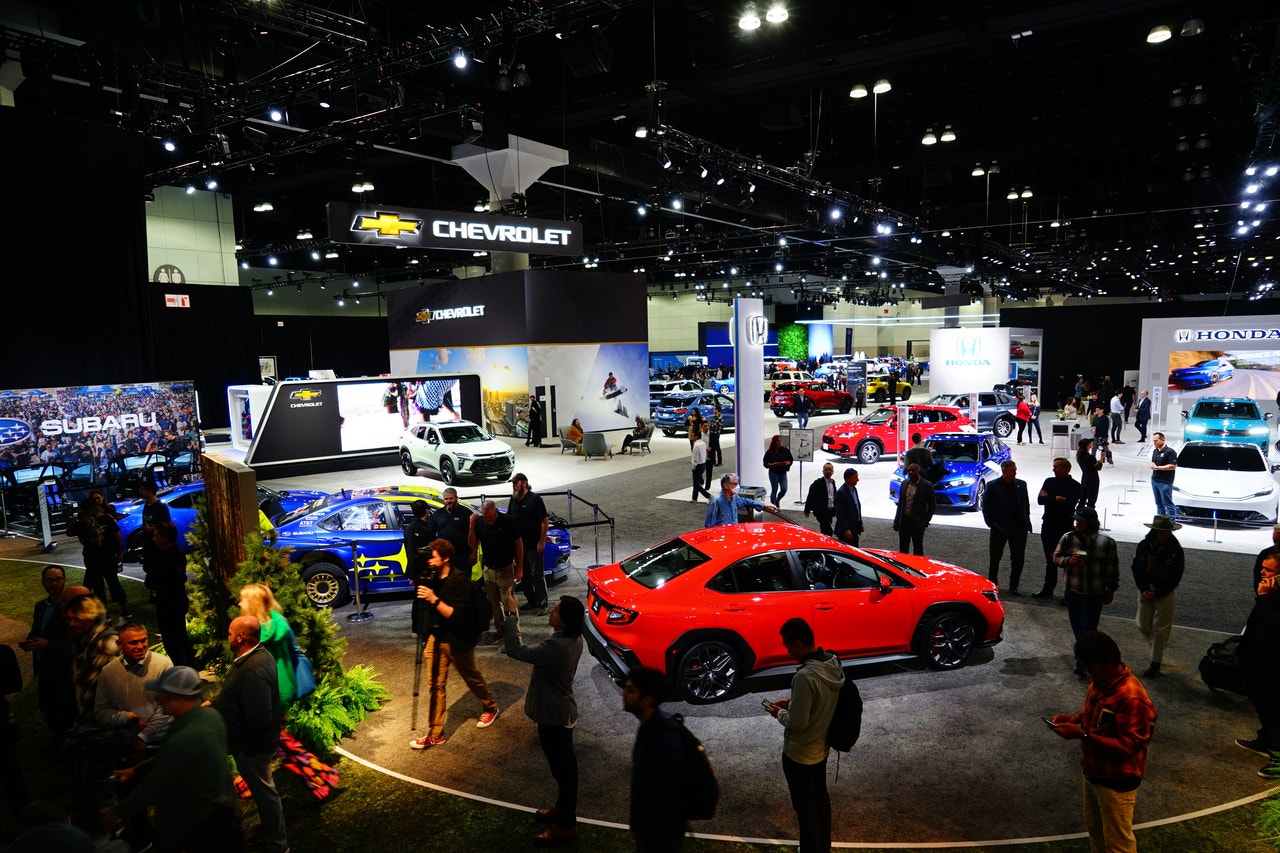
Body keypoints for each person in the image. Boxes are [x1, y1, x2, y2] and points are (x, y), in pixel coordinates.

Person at [103, 666, 243, 853]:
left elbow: (155, 786)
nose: (157, 698)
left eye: (162, 693)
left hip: (200, 827)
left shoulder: (184, 738)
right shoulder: (210, 717)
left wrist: (117, 811)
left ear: (176, 696)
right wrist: (137, 770)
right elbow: (175, 758)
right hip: (223, 813)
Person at [1049, 631, 1157, 853]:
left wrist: (1081, 735)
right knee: (1096, 831)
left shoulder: (1131, 697)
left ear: (1108, 662)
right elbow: (1099, 713)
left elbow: (1129, 747)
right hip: (1094, 772)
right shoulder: (1101, 679)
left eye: (1091, 666)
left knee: (1119, 845)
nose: (1088, 671)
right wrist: (1075, 719)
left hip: (1117, 780)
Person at [237, 583, 339, 801]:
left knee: (282, 743)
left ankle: (321, 777)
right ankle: (247, 780)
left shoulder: (254, 636)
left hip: (271, 693)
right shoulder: (279, 622)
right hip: (282, 690)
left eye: (243, 599)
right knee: (272, 739)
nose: (238, 603)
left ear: (252, 604)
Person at [500, 597, 585, 848]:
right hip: (561, 711)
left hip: (554, 716)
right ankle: (562, 809)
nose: (550, 611)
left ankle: (567, 825)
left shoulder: (555, 646)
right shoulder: (573, 639)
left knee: (564, 771)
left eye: (556, 610)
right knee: (564, 769)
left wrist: (510, 614)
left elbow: (516, 651)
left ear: (565, 620)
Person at [409, 539, 499, 749]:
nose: (429, 561)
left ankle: (490, 707)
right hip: (435, 637)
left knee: (471, 677)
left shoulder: (460, 581)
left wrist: (433, 599)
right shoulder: (430, 577)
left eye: (433, 557)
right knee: (435, 685)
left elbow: (456, 616)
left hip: (458, 638)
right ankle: (436, 732)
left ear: (446, 558)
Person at [766, 617, 844, 853]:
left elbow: (797, 723)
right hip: (821, 748)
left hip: (799, 754)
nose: (787, 650)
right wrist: (791, 702)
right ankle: (823, 847)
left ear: (798, 643)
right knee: (821, 801)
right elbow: (820, 699)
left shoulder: (804, 676)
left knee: (806, 810)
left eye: (788, 646)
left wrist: (779, 713)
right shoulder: (832, 663)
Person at [215, 615, 287, 853]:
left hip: (252, 748)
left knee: (265, 795)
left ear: (240, 637)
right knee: (264, 792)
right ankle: (271, 837)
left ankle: (277, 845)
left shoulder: (253, 669)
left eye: (229, 633)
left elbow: (260, 716)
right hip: (251, 745)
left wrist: (247, 748)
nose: (227, 637)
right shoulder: (256, 657)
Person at [623, 666, 686, 853]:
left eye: (630, 690)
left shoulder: (663, 740)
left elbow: (669, 793)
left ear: (647, 700)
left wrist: (645, 829)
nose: (623, 693)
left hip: (659, 833)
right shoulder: (651, 725)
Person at [1054, 508, 1120, 676]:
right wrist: (1069, 561)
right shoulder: (1068, 538)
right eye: (1076, 520)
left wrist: (1111, 590)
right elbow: (1056, 557)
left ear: (1091, 523)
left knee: (1088, 629)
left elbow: (1112, 569)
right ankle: (1086, 657)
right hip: (1073, 592)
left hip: (1094, 594)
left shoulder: (1107, 542)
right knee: (1077, 628)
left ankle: (1083, 661)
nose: (1077, 523)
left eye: (1081, 521)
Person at [93, 622, 173, 755]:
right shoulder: (109, 672)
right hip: (125, 742)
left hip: (160, 740)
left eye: (143, 640)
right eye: (134, 643)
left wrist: (144, 736)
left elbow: (168, 707)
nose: (140, 646)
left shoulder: (163, 664)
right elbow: (101, 711)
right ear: (120, 644)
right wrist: (127, 717)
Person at [21, 566, 76, 743]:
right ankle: (57, 737)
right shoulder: (40, 606)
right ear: (43, 582)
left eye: (58, 579)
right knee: (47, 704)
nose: (54, 583)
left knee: (65, 706)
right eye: (49, 580)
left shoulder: (71, 608)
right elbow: (37, 629)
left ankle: (67, 741)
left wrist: (49, 645)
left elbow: (75, 638)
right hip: (44, 666)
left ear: (64, 580)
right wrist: (31, 640)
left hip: (63, 668)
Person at [1238, 551, 1280, 775]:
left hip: (1275, 667)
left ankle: (1278, 757)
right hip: (1259, 661)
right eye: (1262, 568)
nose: (1262, 572)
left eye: (1269, 570)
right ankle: (1266, 740)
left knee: (1275, 711)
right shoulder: (1267, 590)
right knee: (1262, 704)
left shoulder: (1269, 594)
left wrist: (1263, 598)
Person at [1131, 515, 1184, 678]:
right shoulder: (1143, 546)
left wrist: (1159, 592)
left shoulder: (1175, 549)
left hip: (1165, 593)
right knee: (1142, 625)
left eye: (1167, 531)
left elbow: (1177, 575)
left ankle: (1155, 662)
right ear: (1155, 531)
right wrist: (1143, 588)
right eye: (1162, 531)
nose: (1165, 534)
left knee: (1161, 628)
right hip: (1146, 589)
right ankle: (1158, 648)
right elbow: (1136, 568)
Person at [66, 498, 131, 621]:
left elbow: (68, 532)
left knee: (98, 586)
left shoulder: (83, 523)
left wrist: (77, 520)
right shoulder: (107, 519)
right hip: (109, 557)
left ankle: (105, 614)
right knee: (114, 583)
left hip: (92, 559)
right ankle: (125, 609)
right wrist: (119, 553)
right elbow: (118, 537)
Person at [471, 499, 524, 641]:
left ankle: (515, 637)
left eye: (489, 516)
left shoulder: (507, 521)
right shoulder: (480, 522)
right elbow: (473, 542)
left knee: (509, 603)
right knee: (494, 604)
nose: (487, 519)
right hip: (488, 569)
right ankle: (501, 632)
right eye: (485, 516)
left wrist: (519, 567)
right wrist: (471, 525)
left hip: (505, 569)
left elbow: (518, 544)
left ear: (495, 511)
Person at [146, 521, 196, 668]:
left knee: (172, 642)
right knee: (181, 638)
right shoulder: (177, 554)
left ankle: (183, 672)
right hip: (177, 602)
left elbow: (150, 580)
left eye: (156, 536)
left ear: (164, 538)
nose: (153, 539)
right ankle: (190, 670)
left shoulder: (166, 559)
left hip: (168, 604)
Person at [65, 594, 119, 727]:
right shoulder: (87, 639)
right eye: (69, 619)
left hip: (102, 724)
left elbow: (94, 693)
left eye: (76, 619)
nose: (71, 624)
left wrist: (81, 725)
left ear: (91, 616)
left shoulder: (105, 645)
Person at [982, 460, 1033, 595]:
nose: (1015, 473)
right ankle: (993, 583)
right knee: (995, 557)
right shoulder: (993, 486)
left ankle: (1014, 586)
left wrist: (1026, 521)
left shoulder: (1021, 485)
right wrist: (991, 523)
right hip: (999, 528)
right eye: (1012, 471)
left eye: (1015, 470)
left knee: (1018, 559)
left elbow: (1025, 504)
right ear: (1004, 471)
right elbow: (986, 506)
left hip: (1019, 528)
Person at [1035, 458, 1082, 599]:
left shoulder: (1075, 486)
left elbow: (1069, 505)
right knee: (1050, 559)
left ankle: (1068, 594)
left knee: (1068, 561)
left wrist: (1049, 497)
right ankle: (1048, 589)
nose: (1053, 469)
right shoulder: (1049, 481)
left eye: (1056, 467)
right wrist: (1056, 498)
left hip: (1065, 528)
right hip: (1049, 525)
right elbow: (1040, 500)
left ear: (1066, 469)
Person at [510, 473, 551, 615]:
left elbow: (545, 521)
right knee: (524, 575)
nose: (514, 485)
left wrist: (541, 541)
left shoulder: (535, 499)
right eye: (513, 483)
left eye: (516, 482)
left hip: (533, 545)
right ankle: (531, 600)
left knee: (537, 575)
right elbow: (510, 519)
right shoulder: (514, 499)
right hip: (519, 546)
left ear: (524, 483)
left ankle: (542, 603)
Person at [405, 498, 434, 635]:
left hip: (415, 571)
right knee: (423, 600)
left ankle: (416, 628)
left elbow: (409, 552)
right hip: (424, 571)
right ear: (427, 511)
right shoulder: (425, 530)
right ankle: (421, 628)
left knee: (418, 599)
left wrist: (411, 573)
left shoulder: (409, 528)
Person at [892, 463, 935, 555]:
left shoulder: (927, 485)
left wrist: (925, 521)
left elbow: (932, 505)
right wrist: (896, 520)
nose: (910, 472)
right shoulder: (904, 483)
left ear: (918, 472)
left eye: (913, 470)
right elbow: (900, 504)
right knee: (903, 548)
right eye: (909, 470)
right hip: (904, 521)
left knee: (918, 548)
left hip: (917, 522)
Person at [704, 472, 774, 526]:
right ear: (725, 485)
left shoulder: (734, 497)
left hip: (734, 534)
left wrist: (763, 505)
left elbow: (746, 501)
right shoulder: (716, 502)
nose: (737, 486)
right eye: (735, 484)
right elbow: (709, 525)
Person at [1148, 432, 1178, 520]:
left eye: (1156, 441)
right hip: (1155, 480)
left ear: (1162, 440)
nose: (1154, 443)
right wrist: (1152, 464)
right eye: (1153, 441)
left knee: (1168, 503)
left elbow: (1173, 466)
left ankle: (1171, 523)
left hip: (1165, 482)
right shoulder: (1155, 451)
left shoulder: (1170, 452)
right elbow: (1153, 461)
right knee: (1158, 503)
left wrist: (1157, 467)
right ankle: (1161, 522)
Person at [803, 463, 838, 536]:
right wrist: (807, 509)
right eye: (826, 470)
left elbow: (834, 495)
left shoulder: (833, 482)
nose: (828, 471)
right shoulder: (818, 483)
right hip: (821, 511)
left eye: (830, 470)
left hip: (830, 510)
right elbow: (811, 496)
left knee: (827, 528)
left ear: (833, 472)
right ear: (823, 471)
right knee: (827, 529)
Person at [834, 468, 864, 546]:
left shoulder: (854, 489)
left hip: (854, 527)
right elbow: (839, 513)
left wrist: (860, 522)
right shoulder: (841, 492)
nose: (858, 480)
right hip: (846, 531)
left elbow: (857, 506)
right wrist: (846, 529)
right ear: (848, 479)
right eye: (855, 478)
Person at [764, 434, 794, 506]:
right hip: (774, 472)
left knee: (784, 489)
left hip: (783, 472)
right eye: (778, 441)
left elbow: (791, 460)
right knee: (774, 489)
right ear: (774, 442)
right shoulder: (769, 452)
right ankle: (773, 506)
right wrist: (773, 464)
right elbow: (765, 464)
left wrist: (787, 463)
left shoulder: (785, 450)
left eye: (781, 441)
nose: (780, 443)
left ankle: (777, 500)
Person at [1076, 438, 1102, 510]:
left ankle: (1079, 513)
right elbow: (1098, 468)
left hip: (1084, 478)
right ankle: (1089, 515)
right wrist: (1101, 460)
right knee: (1091, 500)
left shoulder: (1080, 456)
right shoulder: (1091, 457)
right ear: (1088, 445)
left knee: (1083, 498)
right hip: (1093, 480)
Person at [690, 428, 712, 502]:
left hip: (698, 465)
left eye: (693, 436)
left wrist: (693, 467)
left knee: (696, 484)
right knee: (696, 482)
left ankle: (707, 495)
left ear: (696, 437)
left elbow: (695, 458)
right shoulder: (703, 443)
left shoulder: (696, 445)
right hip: (703, 464)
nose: (692, 438)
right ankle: (694, 498)